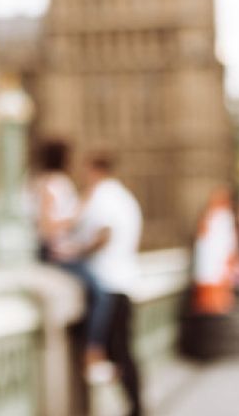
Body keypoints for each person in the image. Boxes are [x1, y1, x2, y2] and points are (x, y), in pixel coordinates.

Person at [29, 139, 109, 381]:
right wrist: (77, 213)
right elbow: (47, 227)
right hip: (58, 254)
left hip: (62, 251)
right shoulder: (53, 184)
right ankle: (93, 352)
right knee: (100, 294)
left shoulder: (41, 182)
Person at [72, 156, 145, 416]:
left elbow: (105, 234)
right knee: (123, 350)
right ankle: (135, 405)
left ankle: (134, 407)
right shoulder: (125, 197)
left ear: (94, 169)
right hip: (126, 281)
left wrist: (75, 251)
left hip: (109, 283)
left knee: (114, 351)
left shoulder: (103, 196)